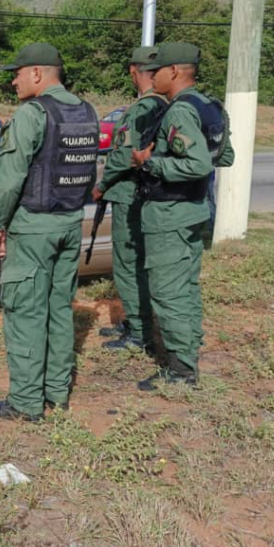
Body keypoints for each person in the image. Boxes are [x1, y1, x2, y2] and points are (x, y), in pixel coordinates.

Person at [0, 44, 99, 422]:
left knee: (25, 313)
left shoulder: (32, 114)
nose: (13, 81)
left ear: (37, 73)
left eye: (17, 73)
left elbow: (8, 181)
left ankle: (26, 403)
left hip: (34, 228)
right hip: (70, 224)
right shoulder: (86, 112)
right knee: (58, 310)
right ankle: (56, 393)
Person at [130, 42, 234, 390]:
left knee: (168, 291)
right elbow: (224, 155)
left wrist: (150, 162)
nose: (152, 76)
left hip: (170, 213)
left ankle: (180, 371)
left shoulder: (178, 111)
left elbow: (198, 162)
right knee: (186, 287)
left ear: (174, 71)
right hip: (194, 208)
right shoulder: (210, 106)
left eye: (156, 71)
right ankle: (188, 351)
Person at [91, 45, 168, 354]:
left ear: (134, 72)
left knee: (127, 264)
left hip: (128, 193)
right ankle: (137, 320)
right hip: (146, 192)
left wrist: (101, 184)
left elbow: (122, 156)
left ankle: (139, 331)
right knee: (137, 262)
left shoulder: (140, 109)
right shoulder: (164, 105)